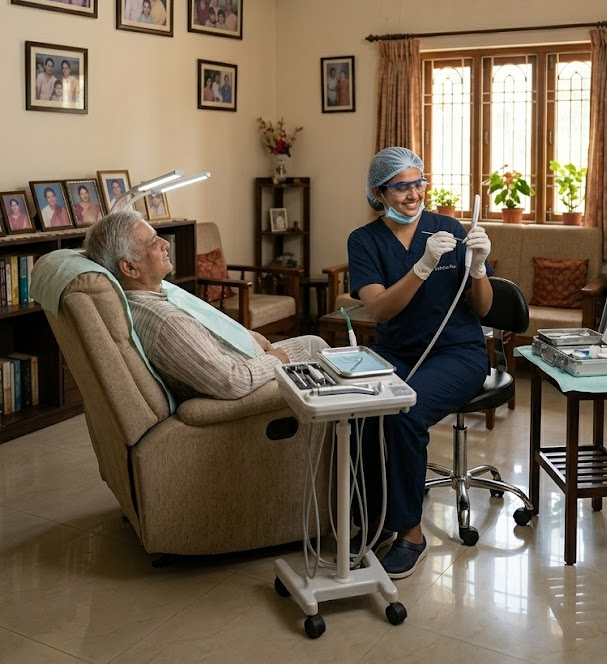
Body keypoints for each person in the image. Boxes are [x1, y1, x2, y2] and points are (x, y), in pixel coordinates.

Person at [347, 146, 492, 579]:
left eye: (418, 183)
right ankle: (371, 520)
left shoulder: (449, 228)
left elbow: (483, 310)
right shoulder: (364, 241)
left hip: (458, 353)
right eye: (401, 187)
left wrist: (480, 267)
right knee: (359, 414)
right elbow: (380, 311)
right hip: (396, 353)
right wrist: (424, 266)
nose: (413, 194)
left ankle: (410, 533)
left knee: (403, 413)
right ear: (379, 192)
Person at [83, 212, 328, 402]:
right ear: (129, 268)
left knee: (315, 344)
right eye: (152, 243)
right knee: (327, 360)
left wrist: (251, 337)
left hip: (250, 358)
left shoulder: (160, 292)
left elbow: (211, 329)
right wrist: (275, 359)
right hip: (254, 384)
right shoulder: (166, 322)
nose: (165, 244)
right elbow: (231, 382)